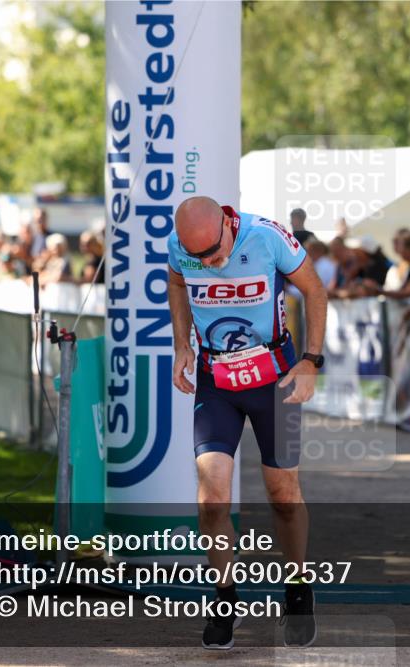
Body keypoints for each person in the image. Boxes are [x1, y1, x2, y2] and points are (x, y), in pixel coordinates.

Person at [167, 196, 327, 650]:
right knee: (211, 497)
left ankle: (297, 590)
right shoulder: (181, 247)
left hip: (276, 379)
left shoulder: (267, 236)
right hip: (217, 382)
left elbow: (314, 290)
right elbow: (176, 284)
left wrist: (312, 360)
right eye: (198, 258)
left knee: (283, 494)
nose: (209, 264)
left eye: (214, 254)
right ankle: (224, 599)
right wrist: (183, 344)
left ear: (226, 224)